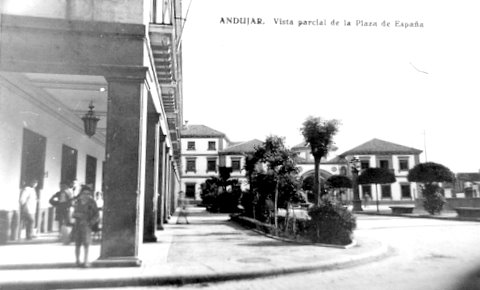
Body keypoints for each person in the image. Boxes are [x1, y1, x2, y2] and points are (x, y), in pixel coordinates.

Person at [72, 185, 99, 267]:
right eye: (84, 193)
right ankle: (77, 261)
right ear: (81, 194)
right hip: (77, 225)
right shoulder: (77, 202)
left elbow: (96, 214)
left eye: (88, 193)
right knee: (77, 244)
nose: (86, 195)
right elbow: (73, 213)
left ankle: (86, 261)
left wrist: (91, 222)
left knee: (86, 243)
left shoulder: (92, 202)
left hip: (87, 225)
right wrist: (77, 215)